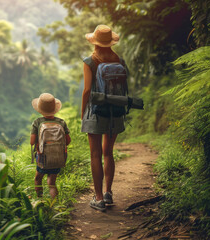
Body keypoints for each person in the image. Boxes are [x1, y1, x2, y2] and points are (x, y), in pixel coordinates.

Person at [81, 25, 127, 211]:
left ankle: (98, 198)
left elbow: (86, 90)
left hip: (95, 111)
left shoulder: (90, 61)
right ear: (110, 42)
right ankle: (108, 193)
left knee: (95, 154)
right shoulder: (120, 61)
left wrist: (83, 112)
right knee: (108, 152)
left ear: (95, 41)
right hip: (116, 110)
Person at [30, 93, 71, 199]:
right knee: (51, 183)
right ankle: (55, 206)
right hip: (58, 157)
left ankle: (40, 201)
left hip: (42, 157)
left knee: (38, 179)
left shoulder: (37, 122)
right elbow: (68, 141)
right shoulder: (61, 122)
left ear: (40, 109)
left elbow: (32, 141)